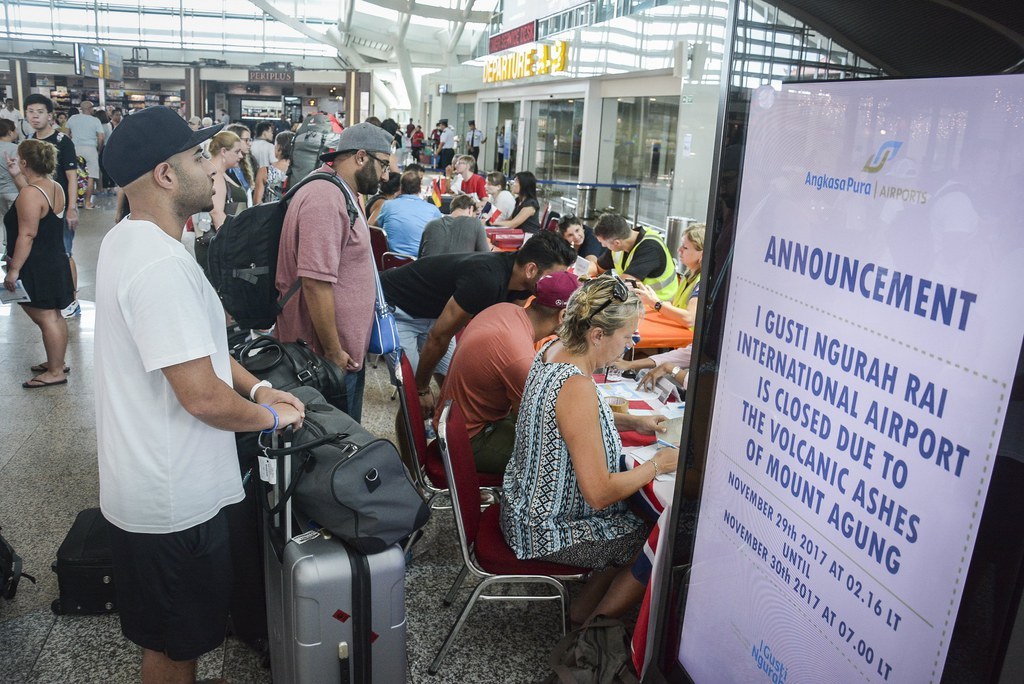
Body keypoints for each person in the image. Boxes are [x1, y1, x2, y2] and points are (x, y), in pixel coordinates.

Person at [94, 105, 304, 683]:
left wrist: (259, 384)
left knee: (170, 637)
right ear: (165, 175)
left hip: (154, 486)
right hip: (171, 503)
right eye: (197, 156)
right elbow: (202, 398)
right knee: (173, 649)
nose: (211, 166)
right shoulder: (159, 266)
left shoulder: (131, 239)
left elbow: (200, 352)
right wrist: (268, 416)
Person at [501, 275, 678, 624]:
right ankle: (590, 636)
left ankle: (583, 612)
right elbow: (598, 494)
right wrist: (657, 464)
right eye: (627, 337)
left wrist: (632, 423)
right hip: (545, 532)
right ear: (597, 335)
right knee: (655, 539)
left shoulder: (551, 349)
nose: (629, 347)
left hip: (522, 508)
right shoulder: (577, 385)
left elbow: (569, 418)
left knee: (634, 517)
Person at [380, 229, 576, 414]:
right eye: (555, 276)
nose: (557, 283)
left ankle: (441, 431)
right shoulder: (487, 279)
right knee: (412, 393)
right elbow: (439, 337)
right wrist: (422, 389)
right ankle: (415, 444)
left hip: (432, 313)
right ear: (531, 269)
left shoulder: (524, 283)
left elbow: (517, 329)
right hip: (398, 307)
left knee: (455, 387)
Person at [275, 122, 393, 422]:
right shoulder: (325, 198)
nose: (386, 175)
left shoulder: (342, 191)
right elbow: (315, 283)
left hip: (339, 356)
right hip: (323, 359)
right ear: (361, 157)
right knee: (334, 450)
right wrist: (333, 351)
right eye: (384, 165)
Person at [435, 271, 580, 473]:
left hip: (452, 422)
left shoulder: (505, 309)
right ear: (563, 315)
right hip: (469, 440)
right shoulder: (520, 358)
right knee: (568, 463)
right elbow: (535, 425)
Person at [2, 139, 74, 388]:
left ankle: (55, 371)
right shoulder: (53, 186)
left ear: (24, 162)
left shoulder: (33, 193)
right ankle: (57, 362)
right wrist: (15, 176)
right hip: (54, 260)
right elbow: (31, 199)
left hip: (37, 265)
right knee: (53, 315)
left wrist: (14, 270)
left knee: (45, 317)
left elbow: (28, 234)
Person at [614, 223, 706, 388]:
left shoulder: (702, 282)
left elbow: (689, 319)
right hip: (677, 338)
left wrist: (656, 303)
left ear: (702, 253)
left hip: (685, 343)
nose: (679, 250)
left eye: (685, 247)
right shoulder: (690, 274)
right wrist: (654, 299)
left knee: (630, 351)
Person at [21, 94, 80, 318]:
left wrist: (72, 208)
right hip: (34, 207)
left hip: (59, 207)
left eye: (39, 112)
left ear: (50, 115)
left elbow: (72, 177)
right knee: (43, 253)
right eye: (30, 112)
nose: (35, 117)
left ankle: (71, 300)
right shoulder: (27, 142)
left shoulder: (63, 142)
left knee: (65, 252)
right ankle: (51, 296)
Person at [593, 213, 678, 301]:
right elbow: (598, 267)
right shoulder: (621, 242)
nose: (603, 246)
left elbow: (625, 282)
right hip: (641, 301)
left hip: (661, 304)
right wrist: (583, 272)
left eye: (603, 243)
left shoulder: (651, 248)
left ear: (617, 243)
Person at [377, 170, 441, 257]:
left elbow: (376, 229)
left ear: (401, 187)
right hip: (419, 264)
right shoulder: (433, 210)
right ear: (419, 188)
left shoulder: (388, 205)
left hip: (390, 262)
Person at [418, 194, 489, 258]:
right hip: (461, 271)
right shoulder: (475, 223)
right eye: (475, 215)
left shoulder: (431, 224)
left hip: (428, 271)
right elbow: (486, 258)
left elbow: (419, 258)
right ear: (471, 209)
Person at [66, 100, 106, 210]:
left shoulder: (72, 119)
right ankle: (87, 203)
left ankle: (76, 202)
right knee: (91, 176)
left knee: (75, 176)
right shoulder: (95, 120)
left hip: (75, 149)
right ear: (90, 108)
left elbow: (66, 134)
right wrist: (99, 149)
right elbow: (101, 137)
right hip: (91, 149)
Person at [207, 130, 245, 230]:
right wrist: (232, 241)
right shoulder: (215, 175)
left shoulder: (218, 173)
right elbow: (216, 213)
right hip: (223, 239)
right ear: (223, 151)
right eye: (237, 151)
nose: (241, 156)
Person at [253, 130, 293, 205]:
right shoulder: (299, 172)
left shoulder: (265, 171)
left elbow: (256, 203)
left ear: (279, 148)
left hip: (269, 214)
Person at [225, 123, 255, 196]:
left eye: (250, 140)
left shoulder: (250, 161)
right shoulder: (226, 168)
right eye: (246, 140)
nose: (249, 144)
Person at [0, 119, 19, 216]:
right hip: (14, 190)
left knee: (5, 221)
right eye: (15, 129)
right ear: (10, 133)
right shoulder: (15, 148)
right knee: (17, 222)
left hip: (0, 192)